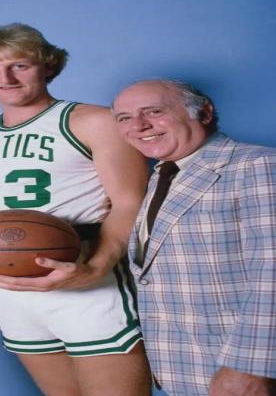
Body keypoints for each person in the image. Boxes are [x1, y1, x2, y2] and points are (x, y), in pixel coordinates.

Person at [0, 23, 152, 396]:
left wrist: (95, 268)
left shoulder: (94, 121)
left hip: (87, 281)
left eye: (19, 65)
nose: (5, 78)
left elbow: (130, 202)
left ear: (48, 66)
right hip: (7, 290)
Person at [112, 79, 276, 395]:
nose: (139, 125)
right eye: (124, 118)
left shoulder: (259, 165)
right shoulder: (160, 177)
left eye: (154, 111)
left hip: (241, 370)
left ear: (204, 112)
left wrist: (251, 368)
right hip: (185, 367)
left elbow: (272, 273)